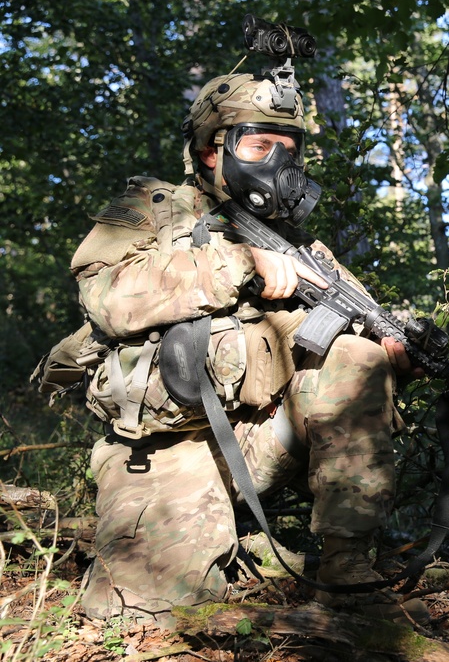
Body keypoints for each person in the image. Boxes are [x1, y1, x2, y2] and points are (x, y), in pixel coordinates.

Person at [58, 65, 427, 627]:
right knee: (142, 615)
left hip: (264, 444)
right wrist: (236, 261)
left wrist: (397, 356)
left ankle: (346, 565)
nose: (276, 161)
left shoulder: (303, 249)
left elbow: (357, 349)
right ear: (212, 150)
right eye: (259, 143)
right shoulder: (150, 212)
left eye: (288, 147)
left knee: (359, 355)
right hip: (169, 448)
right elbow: (107, 298)